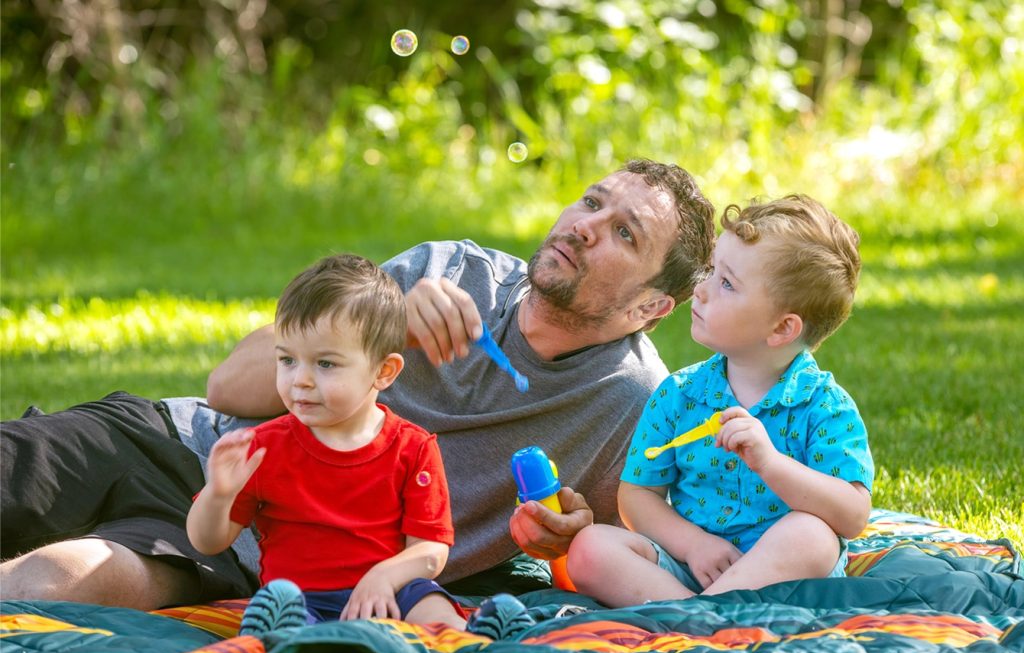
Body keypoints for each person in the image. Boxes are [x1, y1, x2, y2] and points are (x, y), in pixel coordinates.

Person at [0, 159, 715, 610]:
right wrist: (384, 323)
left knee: (50, 583)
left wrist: (563, 538)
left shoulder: (632, 405)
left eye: (625, 233)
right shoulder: (449, 270)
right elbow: (228, 386)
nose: (587, 226)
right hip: (178, 443)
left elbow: (618, 558)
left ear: (654, 308)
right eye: (592, 202)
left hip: (248, 553)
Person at [566, 195, 874, 607]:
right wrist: (694, 546)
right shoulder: (679, 394)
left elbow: (852, 515)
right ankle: (709, 618)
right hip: (690, 570)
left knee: (812, 536)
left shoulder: (824, 406)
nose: (702, 289)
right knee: (588, 549)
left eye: (726, 283)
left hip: (783, 578)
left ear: (782, 328)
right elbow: (637, 497)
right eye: (711, 270)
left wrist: (770, 463)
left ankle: (693, 618)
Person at [186, 253, 469, 633]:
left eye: (325, 364)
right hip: (299, 599)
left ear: (383, 371)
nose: (299, 380)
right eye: (287, 360)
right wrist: (218, 494)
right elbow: (207, 541)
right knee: (277, 612)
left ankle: (472, 641)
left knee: (430, 600)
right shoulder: (263, 447)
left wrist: (383, 577)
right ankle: (298, 648)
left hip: (386, 595)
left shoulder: (412, 447)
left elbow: (431, 551)